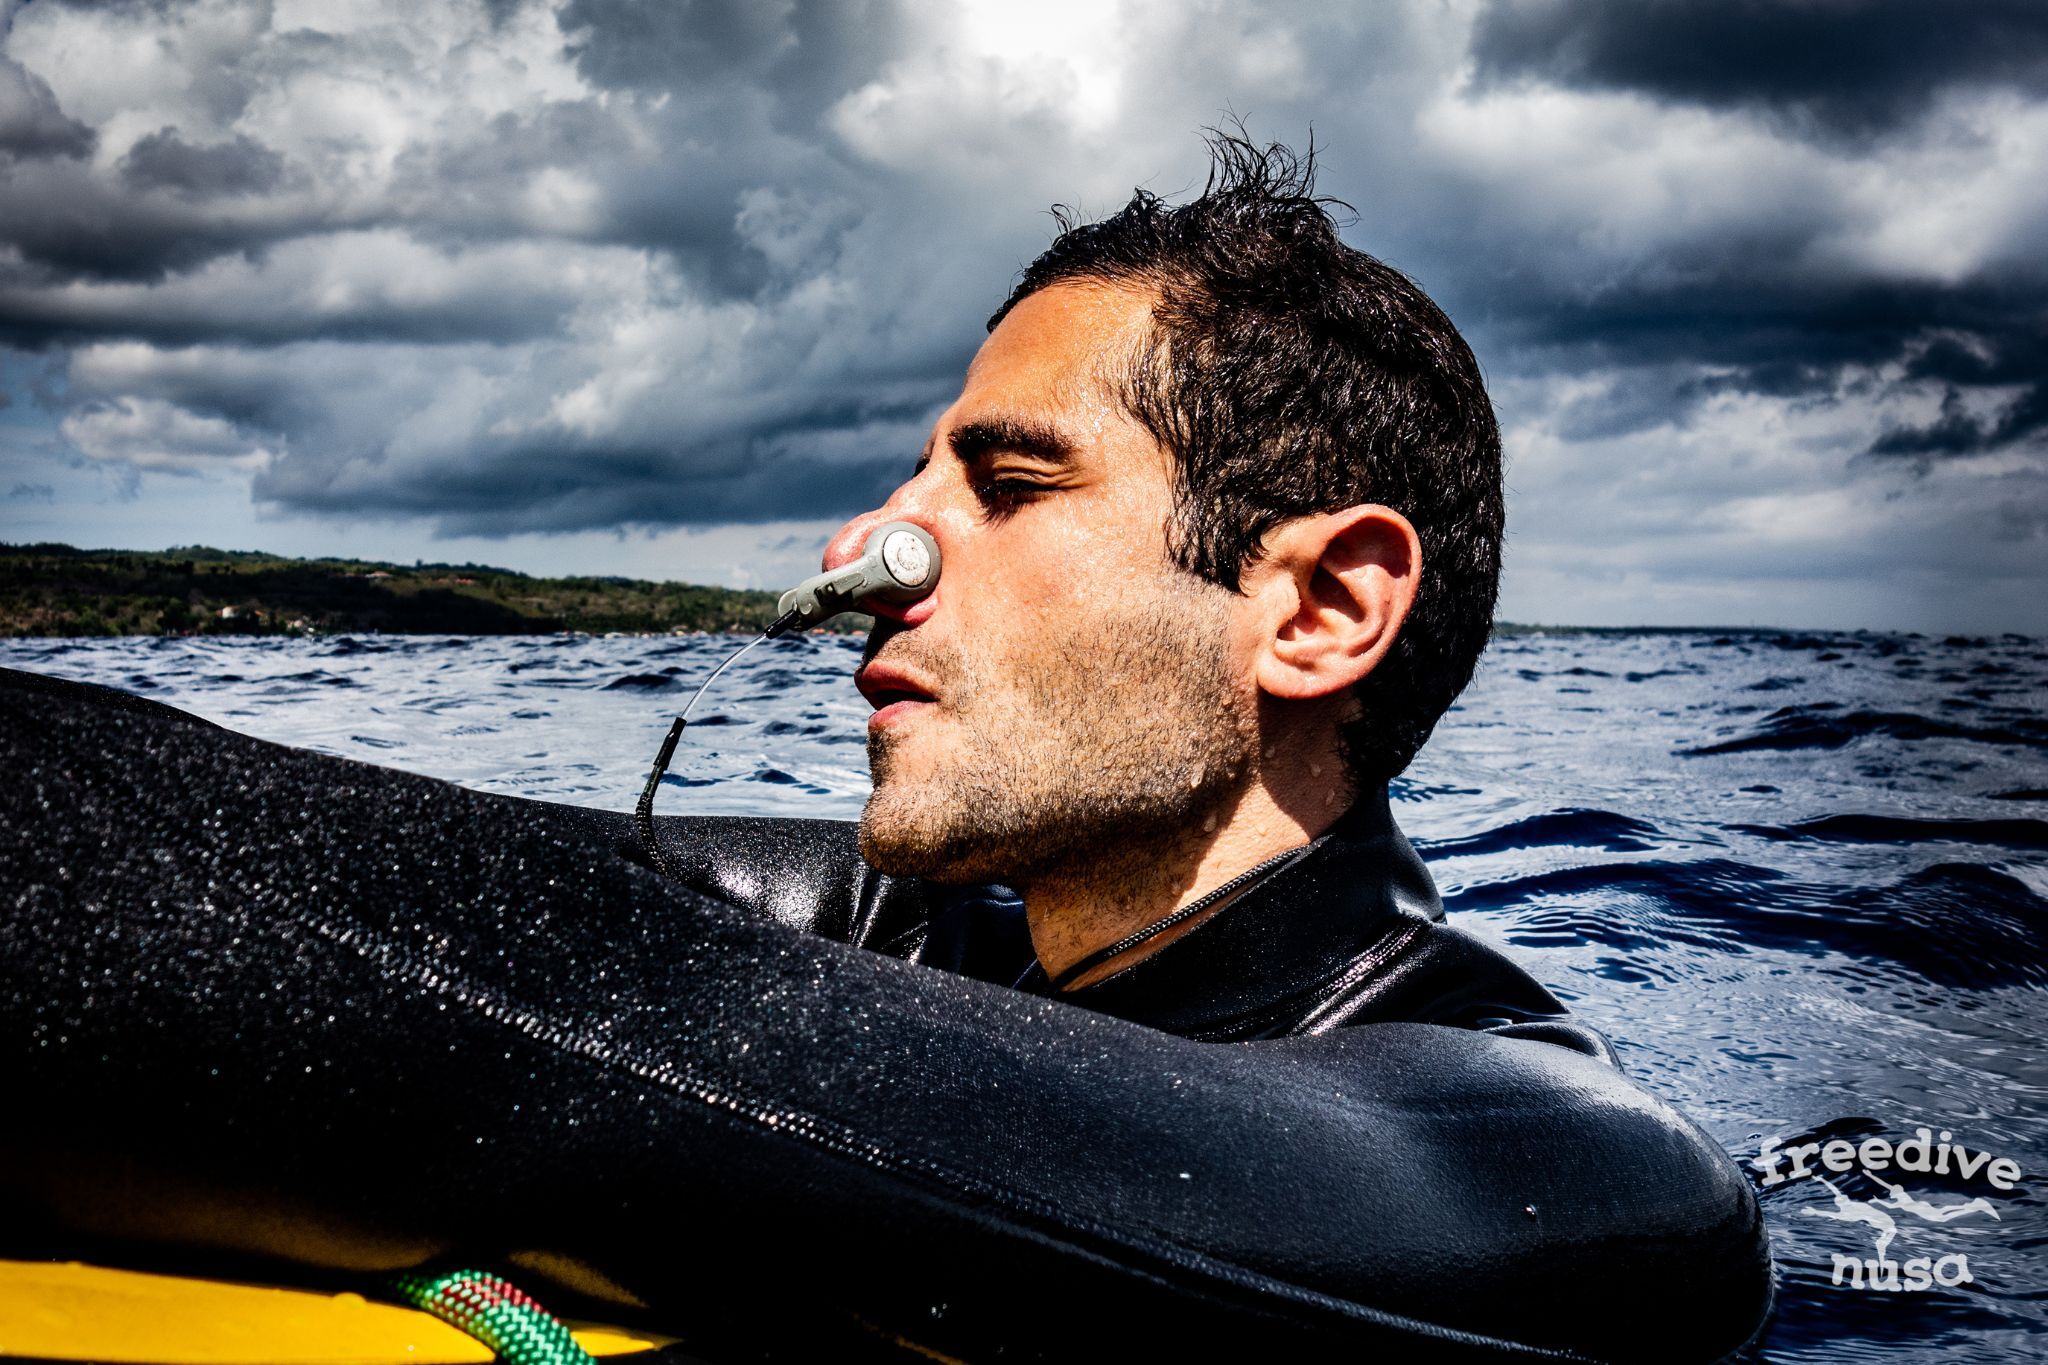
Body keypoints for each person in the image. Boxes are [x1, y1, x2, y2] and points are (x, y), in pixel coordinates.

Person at [0, 136, 1773, 1364]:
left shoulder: (1557, 1174)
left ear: (1315, 611)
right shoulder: (932, 934)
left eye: (1005, 486)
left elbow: (567, 997)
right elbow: (433, 885)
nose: (870, 551)